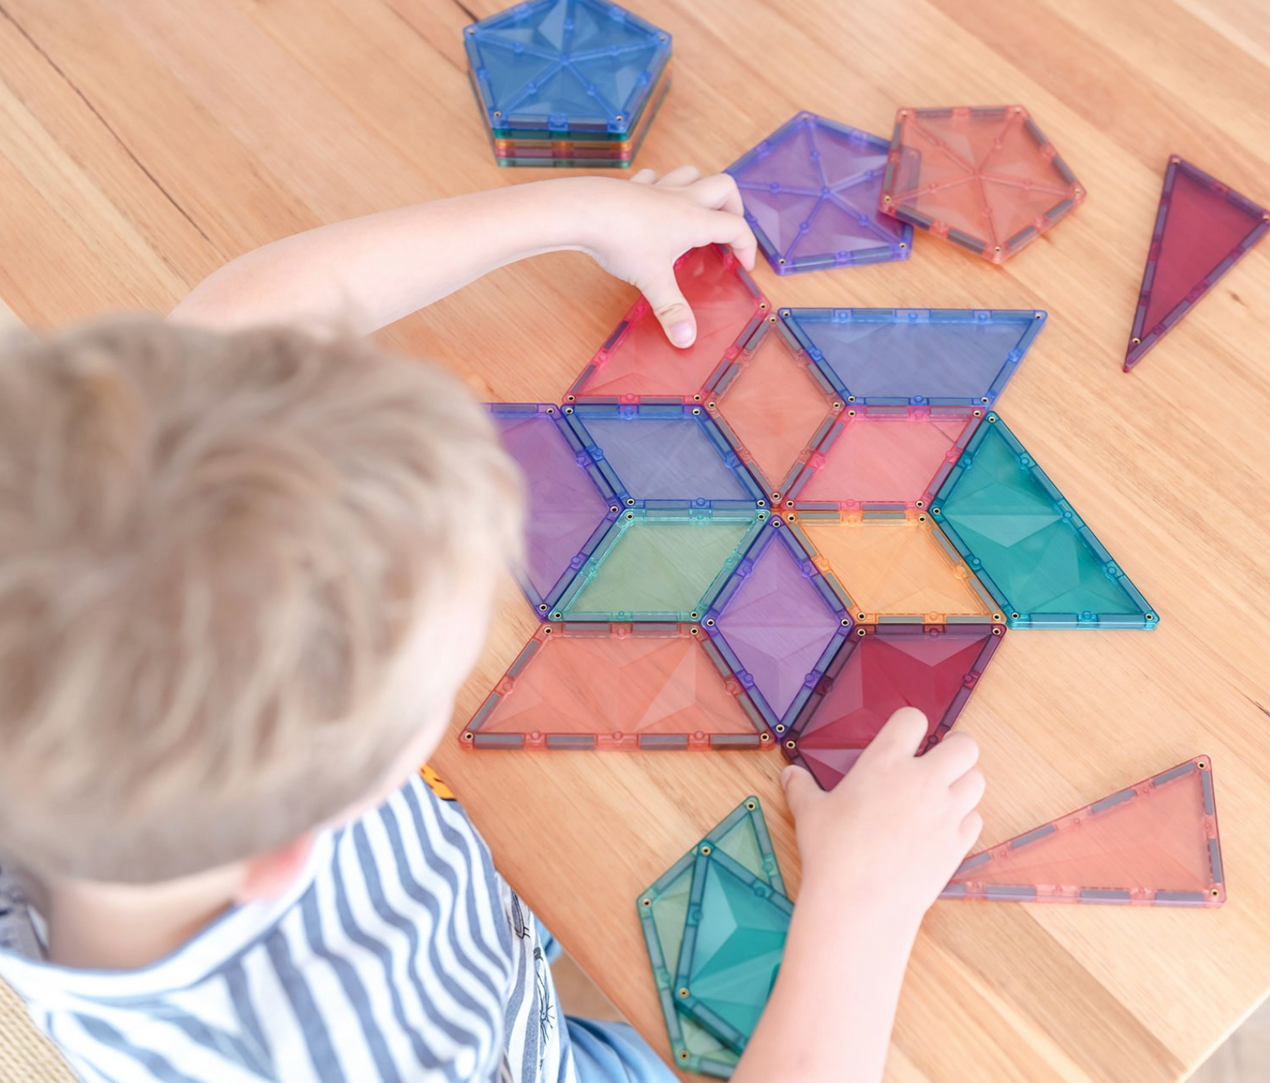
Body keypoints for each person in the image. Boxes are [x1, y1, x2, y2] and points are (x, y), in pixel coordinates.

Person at [0, 168, 986, 1083]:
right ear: (294, 847)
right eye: (426, 699)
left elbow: (232, 329)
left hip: (457, 925)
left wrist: (577, 210)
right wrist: (861, 903)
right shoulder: (363, 1056)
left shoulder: (64, 682)